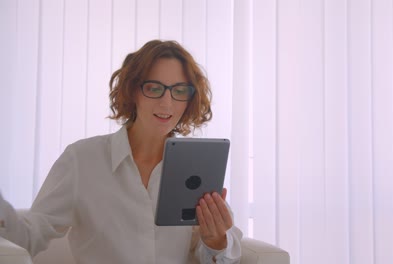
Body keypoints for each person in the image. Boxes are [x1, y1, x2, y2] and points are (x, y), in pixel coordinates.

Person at [0, 40, 243, 263]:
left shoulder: (197, 166)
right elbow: (30, 236)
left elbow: (221, 254)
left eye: (179, 91)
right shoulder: (82, 160)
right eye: (154, 87)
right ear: (133, 90)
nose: (166, 103)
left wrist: (216, 241)